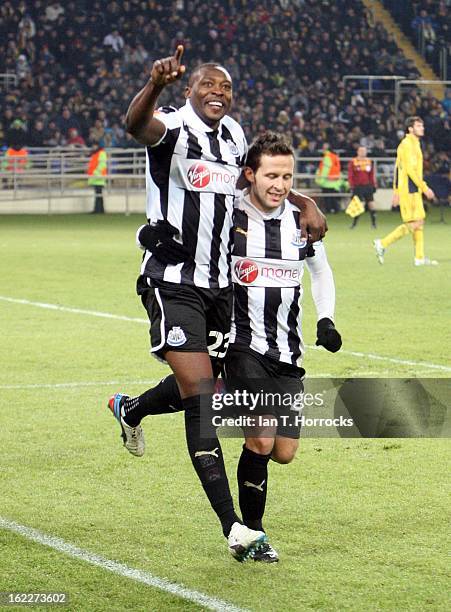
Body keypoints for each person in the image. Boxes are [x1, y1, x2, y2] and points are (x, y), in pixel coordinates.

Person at [107, 46, 327, 562]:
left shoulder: (233, 138)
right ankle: (238, 529)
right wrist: (154, 84)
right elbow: (135, 124)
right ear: (189, 90)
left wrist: (305, 201)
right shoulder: (169, 123)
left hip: (223, 287)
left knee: (222, 385)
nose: (218, 93)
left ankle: (132, 408)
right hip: (173, 279)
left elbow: (264, 180)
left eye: (226, 87)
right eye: (208, 85)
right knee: (202, 395)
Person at [224, 132, 341, 561]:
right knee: (260, 440)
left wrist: (326, 318)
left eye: (288, 176)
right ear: (251, 175)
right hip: (242, 346)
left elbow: (321, 271)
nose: (280, 184)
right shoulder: (230, 214)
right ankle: (251, 536)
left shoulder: (301, 221)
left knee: (284, 452)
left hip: (287, 354)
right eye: (271, 175)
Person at [373, 117, 437, 266]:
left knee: (419, 221)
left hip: (412, 189)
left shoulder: (414, 143)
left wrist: (395, 191)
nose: (422, 128)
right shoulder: (407, 144)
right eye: (419, 126)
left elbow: (397, 167)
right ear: (410, 129)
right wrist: (424, 187)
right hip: (410, 189)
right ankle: (382, 243)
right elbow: (409, 170)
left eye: (422, 125)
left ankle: (419, 258)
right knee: (415, 222)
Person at [347, 145, 377, 229]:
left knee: (371, 204)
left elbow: (371, 174)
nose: (363, 152)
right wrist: (351, 185)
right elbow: (350, 175)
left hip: (367, 186)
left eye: (364, 151)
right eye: (361, 151)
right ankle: (354, 224)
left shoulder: (369, 161)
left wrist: (374, 185)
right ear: (358, 152)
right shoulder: (353, 162)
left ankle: (374, 224)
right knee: (358, 205)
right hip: (358, 187)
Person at [315, 143, 345, 214]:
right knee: (333, 197)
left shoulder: (327, 157)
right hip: (335, 181)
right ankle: (336, 210)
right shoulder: (335, 156)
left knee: (327, 198)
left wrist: (320, 180)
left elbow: (325, 170)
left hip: (327, 181)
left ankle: (329, 210)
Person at [87, 140, 107, 214]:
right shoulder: (96, 153)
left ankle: (97, 210)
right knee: (98, 195)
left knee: (98, 195)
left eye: (94, 145)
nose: (93, 147)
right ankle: (100, 210)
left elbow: (102, 164)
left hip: (98, 177)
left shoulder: (101, 153)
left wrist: (96, 172)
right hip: (96, 178)